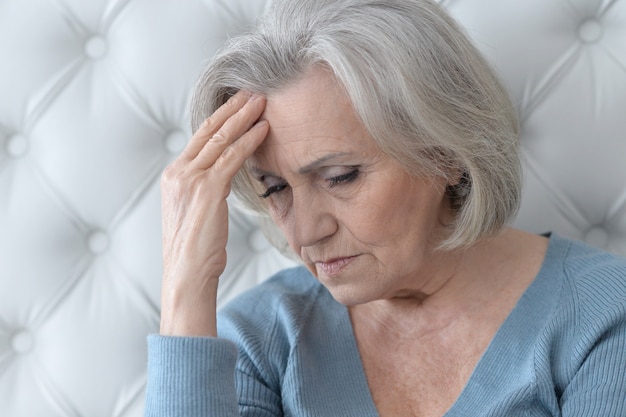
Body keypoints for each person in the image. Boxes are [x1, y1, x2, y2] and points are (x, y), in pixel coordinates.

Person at [144, 0, 626, 416]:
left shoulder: (601, 313)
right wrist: (187, 286)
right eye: (274, 189)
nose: (306, 232)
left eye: (340, 177)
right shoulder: (258, 337)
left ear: (447, 154)